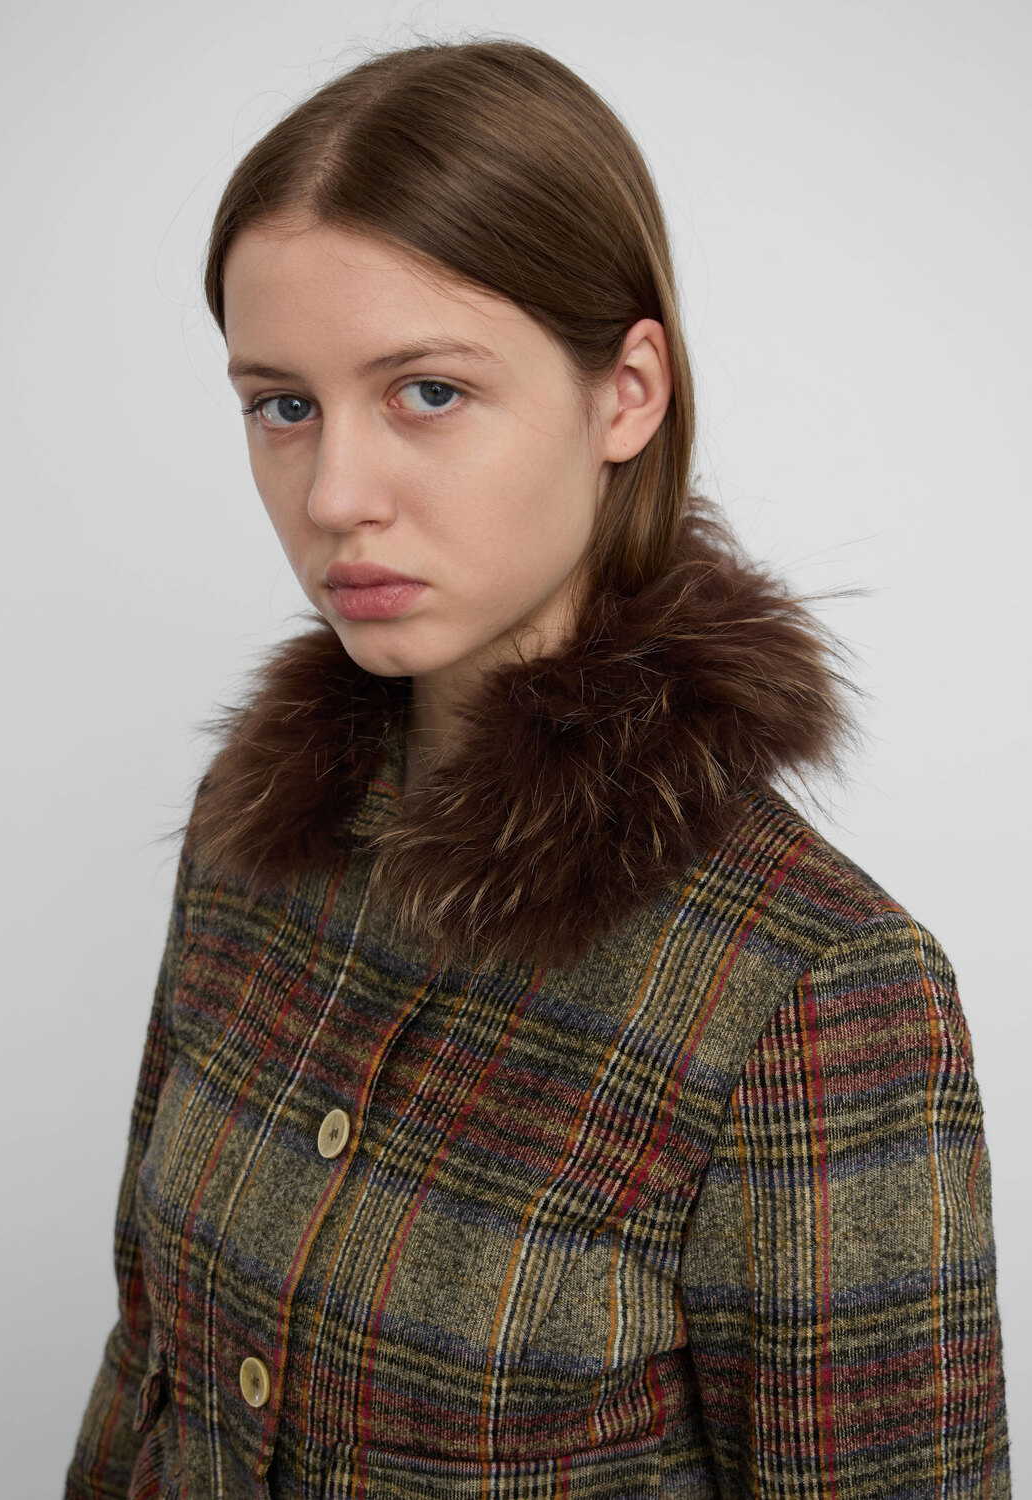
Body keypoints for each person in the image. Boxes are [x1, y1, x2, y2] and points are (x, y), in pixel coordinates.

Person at [64, 36, 1009, 1500]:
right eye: (282, 405)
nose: (335, 495)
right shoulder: (252, 837)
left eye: (428, 392)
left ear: (624, 392)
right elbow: (149, 1367)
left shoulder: (811, 991)